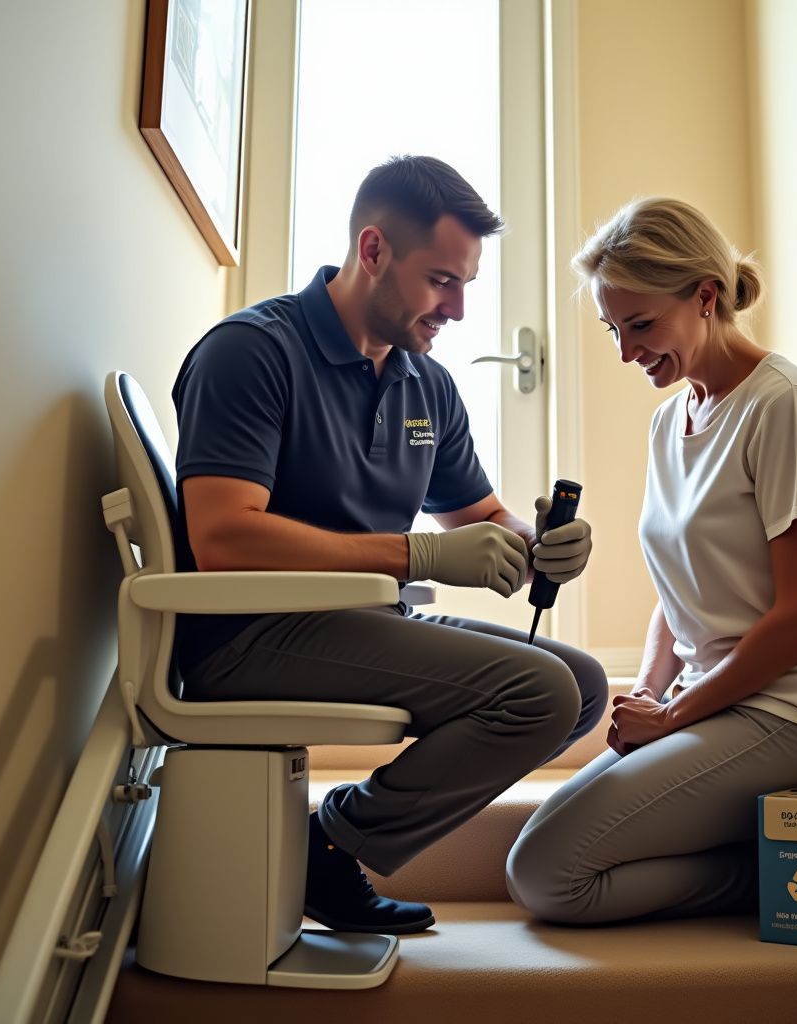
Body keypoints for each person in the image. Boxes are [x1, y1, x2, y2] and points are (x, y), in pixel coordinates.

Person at [171, 155, 606, 935]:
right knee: (536, 692)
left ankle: (329, 849)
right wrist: (420, 558)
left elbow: (479, 514)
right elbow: (221, 535)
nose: (461, 309)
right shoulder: (252, 352)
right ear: (373, 251)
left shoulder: (423, 383)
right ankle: (332, 847)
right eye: (442, 280)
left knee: (582, 684)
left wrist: (535, 540)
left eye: (467, 283)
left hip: (364, 624)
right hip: (245, 637)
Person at [506, 198, 797, 925]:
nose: (624, 351)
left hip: (792, 715)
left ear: (706, 296)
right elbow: (679, 589)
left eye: (640, 325)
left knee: (548, 875)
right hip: (713, 704)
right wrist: (647, 691)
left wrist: (672, 716)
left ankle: (758, 879)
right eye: (613, 328)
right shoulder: (671, 419)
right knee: (532, 857)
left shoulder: (783, 406)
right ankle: (757, 861)